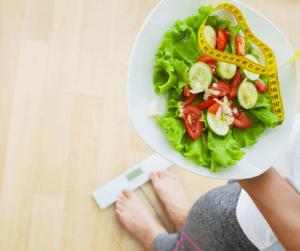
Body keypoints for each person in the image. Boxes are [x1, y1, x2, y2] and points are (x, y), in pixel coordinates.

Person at [116, 114, 300, 251]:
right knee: (208, 215)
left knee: (194, 243)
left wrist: (253, 173)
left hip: (263, 232)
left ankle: (158, 241)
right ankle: (184, 222)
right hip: (272, 168)